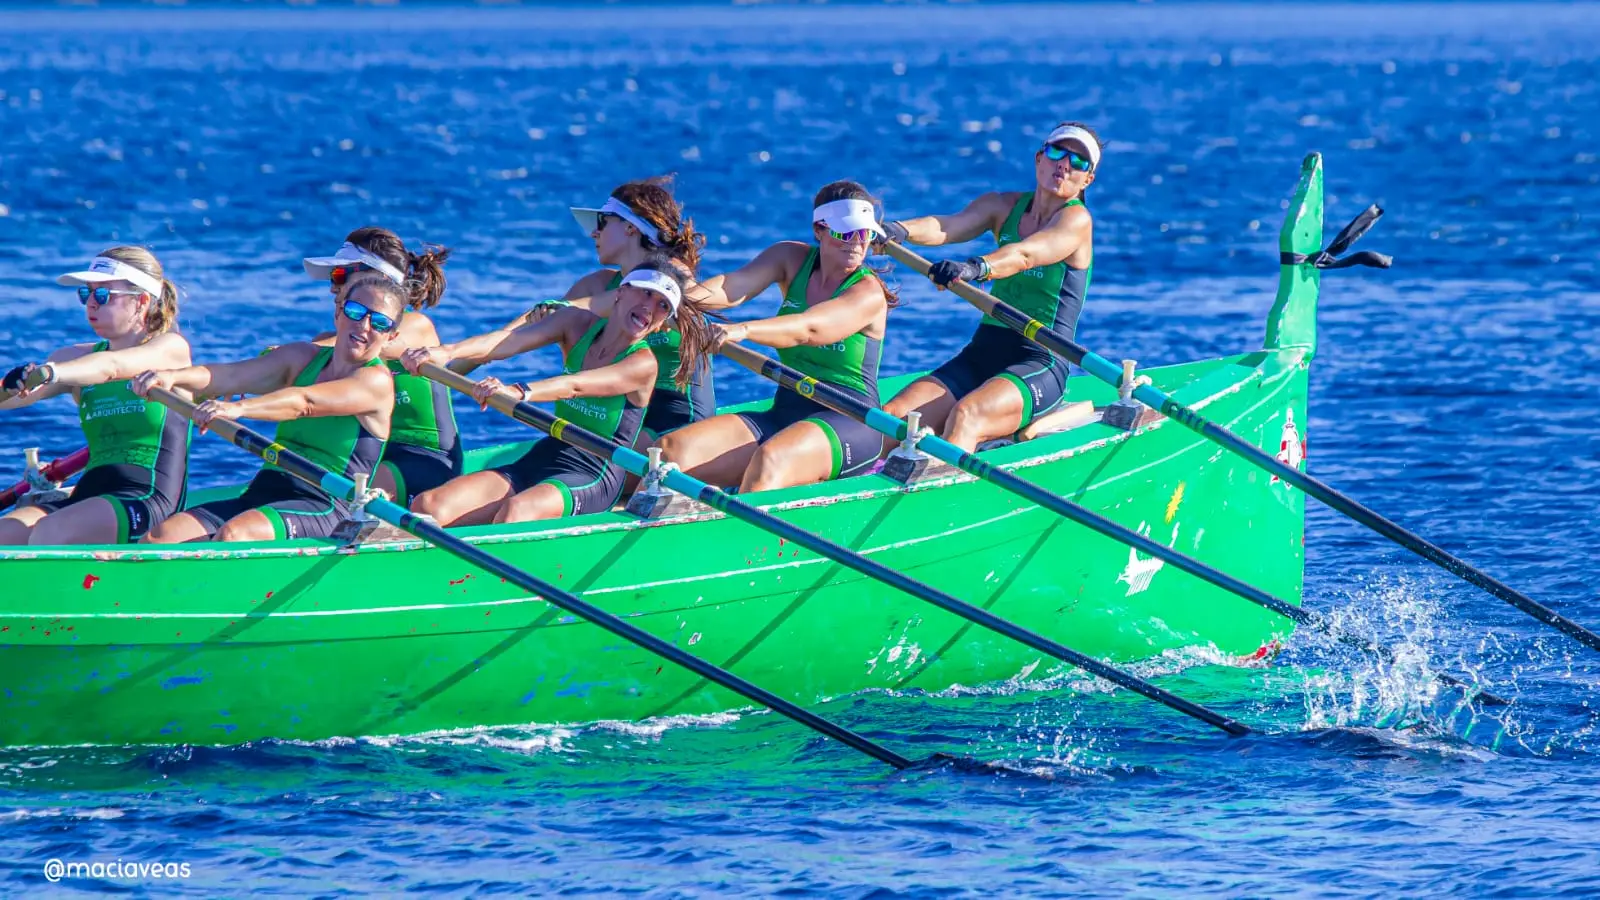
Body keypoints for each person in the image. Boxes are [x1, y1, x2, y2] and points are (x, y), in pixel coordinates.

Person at [401, 259, 703, 525]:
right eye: (645, 292)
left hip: (595, 471)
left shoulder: (643, 364)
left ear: (663, 323)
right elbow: (507, 342)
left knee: (516, 512)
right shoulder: (575, 323)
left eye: (663, 305)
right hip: (550, 451)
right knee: (427, 506)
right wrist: (444, 351)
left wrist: (518, 392)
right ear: (621, 292)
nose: (650, 307)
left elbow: (575, 385)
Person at [657, 180, 893, 492]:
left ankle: (744, 538)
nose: (857, 242)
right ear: (818, 230)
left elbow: (809, 329)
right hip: (787, 410)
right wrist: (674, 298)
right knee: (669, 452)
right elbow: (732, 286)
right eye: (845, 232)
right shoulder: (789, 258)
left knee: (772, 460)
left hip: (851, 420)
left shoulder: (868, 293)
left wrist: (743, 330)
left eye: (864, 233)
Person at [878, 121, 1099, 452]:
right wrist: (897, 230)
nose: (1065, 164)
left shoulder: (1076, 221)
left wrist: (974, 268)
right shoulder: (1002, 206)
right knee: (892, 419)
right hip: (984, 350)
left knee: (967, 415)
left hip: (1041, 358)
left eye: (1079, 162)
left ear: (1087, 179)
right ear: (1039, 158)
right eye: (1057, 152)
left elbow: (1025, 254)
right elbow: (947, 226)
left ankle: (941, 499)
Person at [133, 278, 403, 543]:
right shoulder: (302, 357)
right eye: (356, 311)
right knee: (160, 537)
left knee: (235, 535)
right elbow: (233, 375)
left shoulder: (375, 382)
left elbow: (303, 403)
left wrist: (236, 408)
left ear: (391, 336)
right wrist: (171, 377)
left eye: (379, 322)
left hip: (327, 505)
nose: (363, 325)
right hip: (266, 489)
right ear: (338, 311)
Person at [493, 177, 716, 440]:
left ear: (630, 228)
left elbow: (592, 305)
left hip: (676, 414)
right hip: (622, 412)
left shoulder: (674, 277)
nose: (593, 233)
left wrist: (564, 308)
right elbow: (514, 335)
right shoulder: (596, 284)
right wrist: (450, 360)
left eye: (602, 222)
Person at [0, 248, 190, 545]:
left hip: (147, 497)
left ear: (140, 301)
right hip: (89, 492)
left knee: (50, 533)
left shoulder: (170, 350)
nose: (90, 303)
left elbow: (112, 367)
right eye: (85, 294)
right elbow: (19, 398)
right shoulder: (73, 358)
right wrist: (15, 384)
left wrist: (50, 373)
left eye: (103, 295)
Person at [302, 227, 460, 506]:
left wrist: (274, 358)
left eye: (340, 275)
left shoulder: (414, 327)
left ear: (379, 279)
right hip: (371, 454)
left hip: (426, 458)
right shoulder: (329, 341)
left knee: (343, 499)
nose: (332, 286)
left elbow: (321, 351)